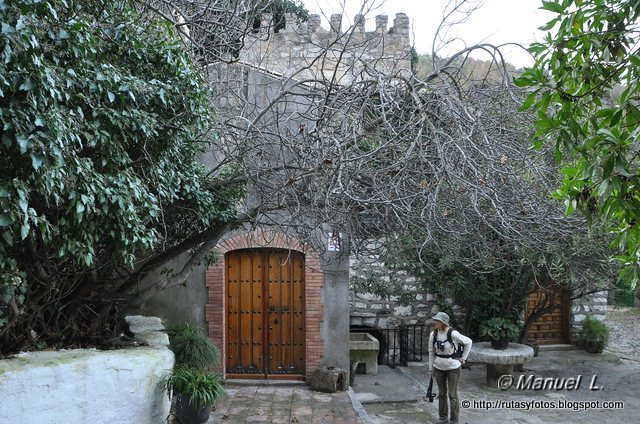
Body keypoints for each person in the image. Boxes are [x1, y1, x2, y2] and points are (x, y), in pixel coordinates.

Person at [428, 311, 472, 424]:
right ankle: (443, 418)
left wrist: (463, 358)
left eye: (437, 321)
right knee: (442, 394)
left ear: (443, 323)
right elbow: (431, 351)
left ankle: (454, 421)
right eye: (435, 320)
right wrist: (431, 368)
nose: (435, 322)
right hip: (438, 367)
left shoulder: (452, 333)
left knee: (452, 395)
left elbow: (468, 342)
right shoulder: (433, 334)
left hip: (453, 368)